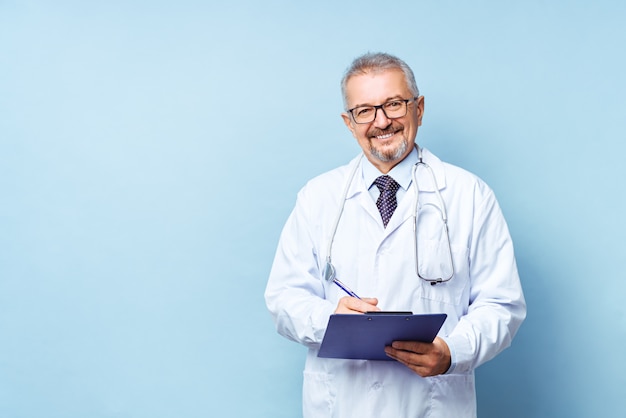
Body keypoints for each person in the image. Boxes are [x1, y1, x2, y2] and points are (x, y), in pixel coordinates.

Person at [264, 52, 526, 417]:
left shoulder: (470, 195)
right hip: (342, 403)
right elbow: (284, 297)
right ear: (349, 122)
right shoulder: (317, 197)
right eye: (365, 110)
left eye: (394, 104)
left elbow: (501, 305)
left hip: (430, 404)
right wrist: (331, 322)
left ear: (418, 108)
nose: (381, 121)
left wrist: (453, 352)